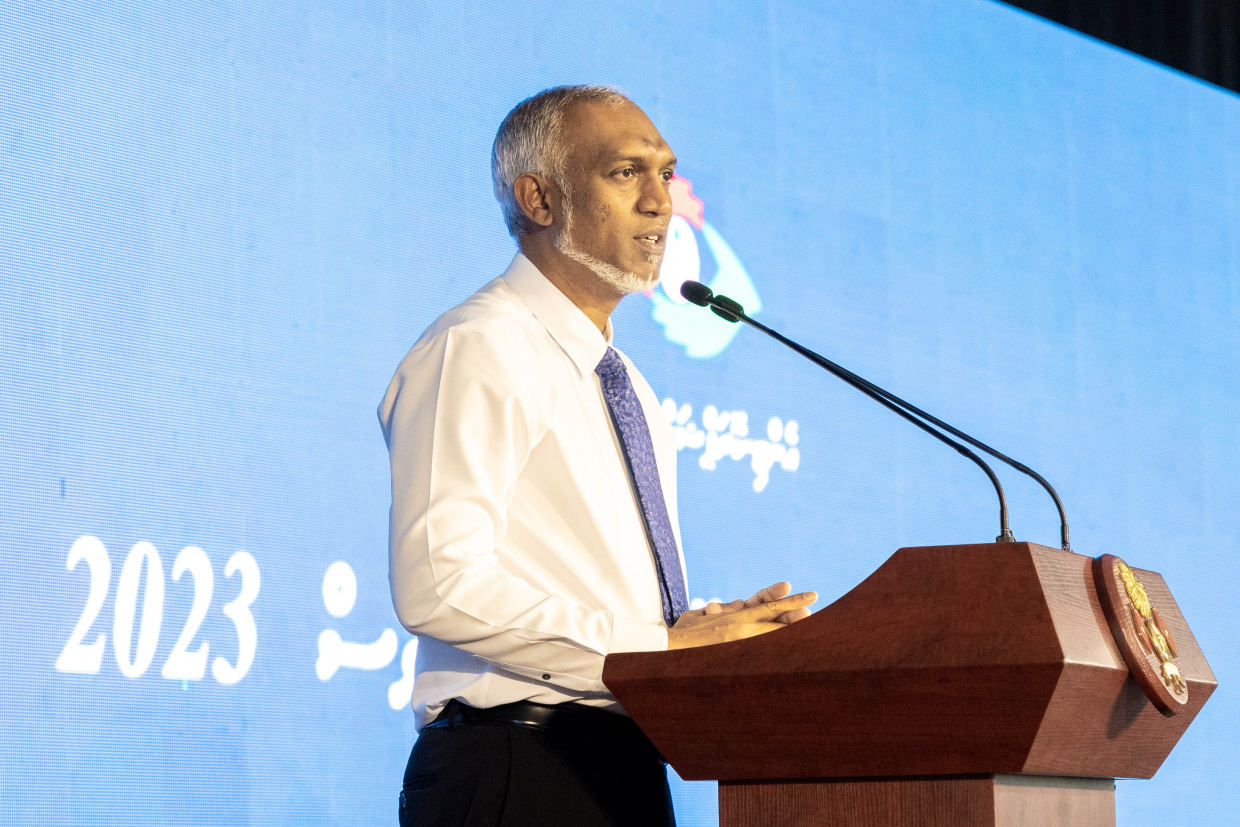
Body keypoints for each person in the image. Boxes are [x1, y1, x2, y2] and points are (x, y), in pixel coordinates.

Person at [378, 84, 817, 827]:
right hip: (518, 768)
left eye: (666, 173)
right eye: (625, 173)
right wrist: (655, 648)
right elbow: (438, 584)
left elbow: (585, 585)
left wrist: (700, 637)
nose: (660, 202)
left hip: (622, 765)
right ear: (540, 199)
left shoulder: (626, 383)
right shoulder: (479, 346)